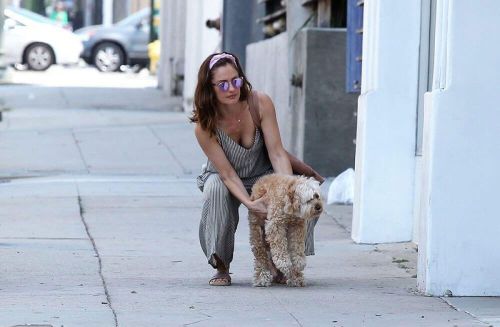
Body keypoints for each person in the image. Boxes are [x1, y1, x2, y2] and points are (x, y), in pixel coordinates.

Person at [190, 52, 324, 286]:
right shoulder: (204, 125)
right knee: (215, 191)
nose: (231, 88)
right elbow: (227, 174)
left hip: (263, 173)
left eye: (236, 80)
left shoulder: (259, 102)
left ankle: (284, 260)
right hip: (225, 177)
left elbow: (277, 152)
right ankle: (221, 264)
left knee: (300, 192)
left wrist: (284, 190)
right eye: (222, 84)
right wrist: (251, 204)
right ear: (209, 88)